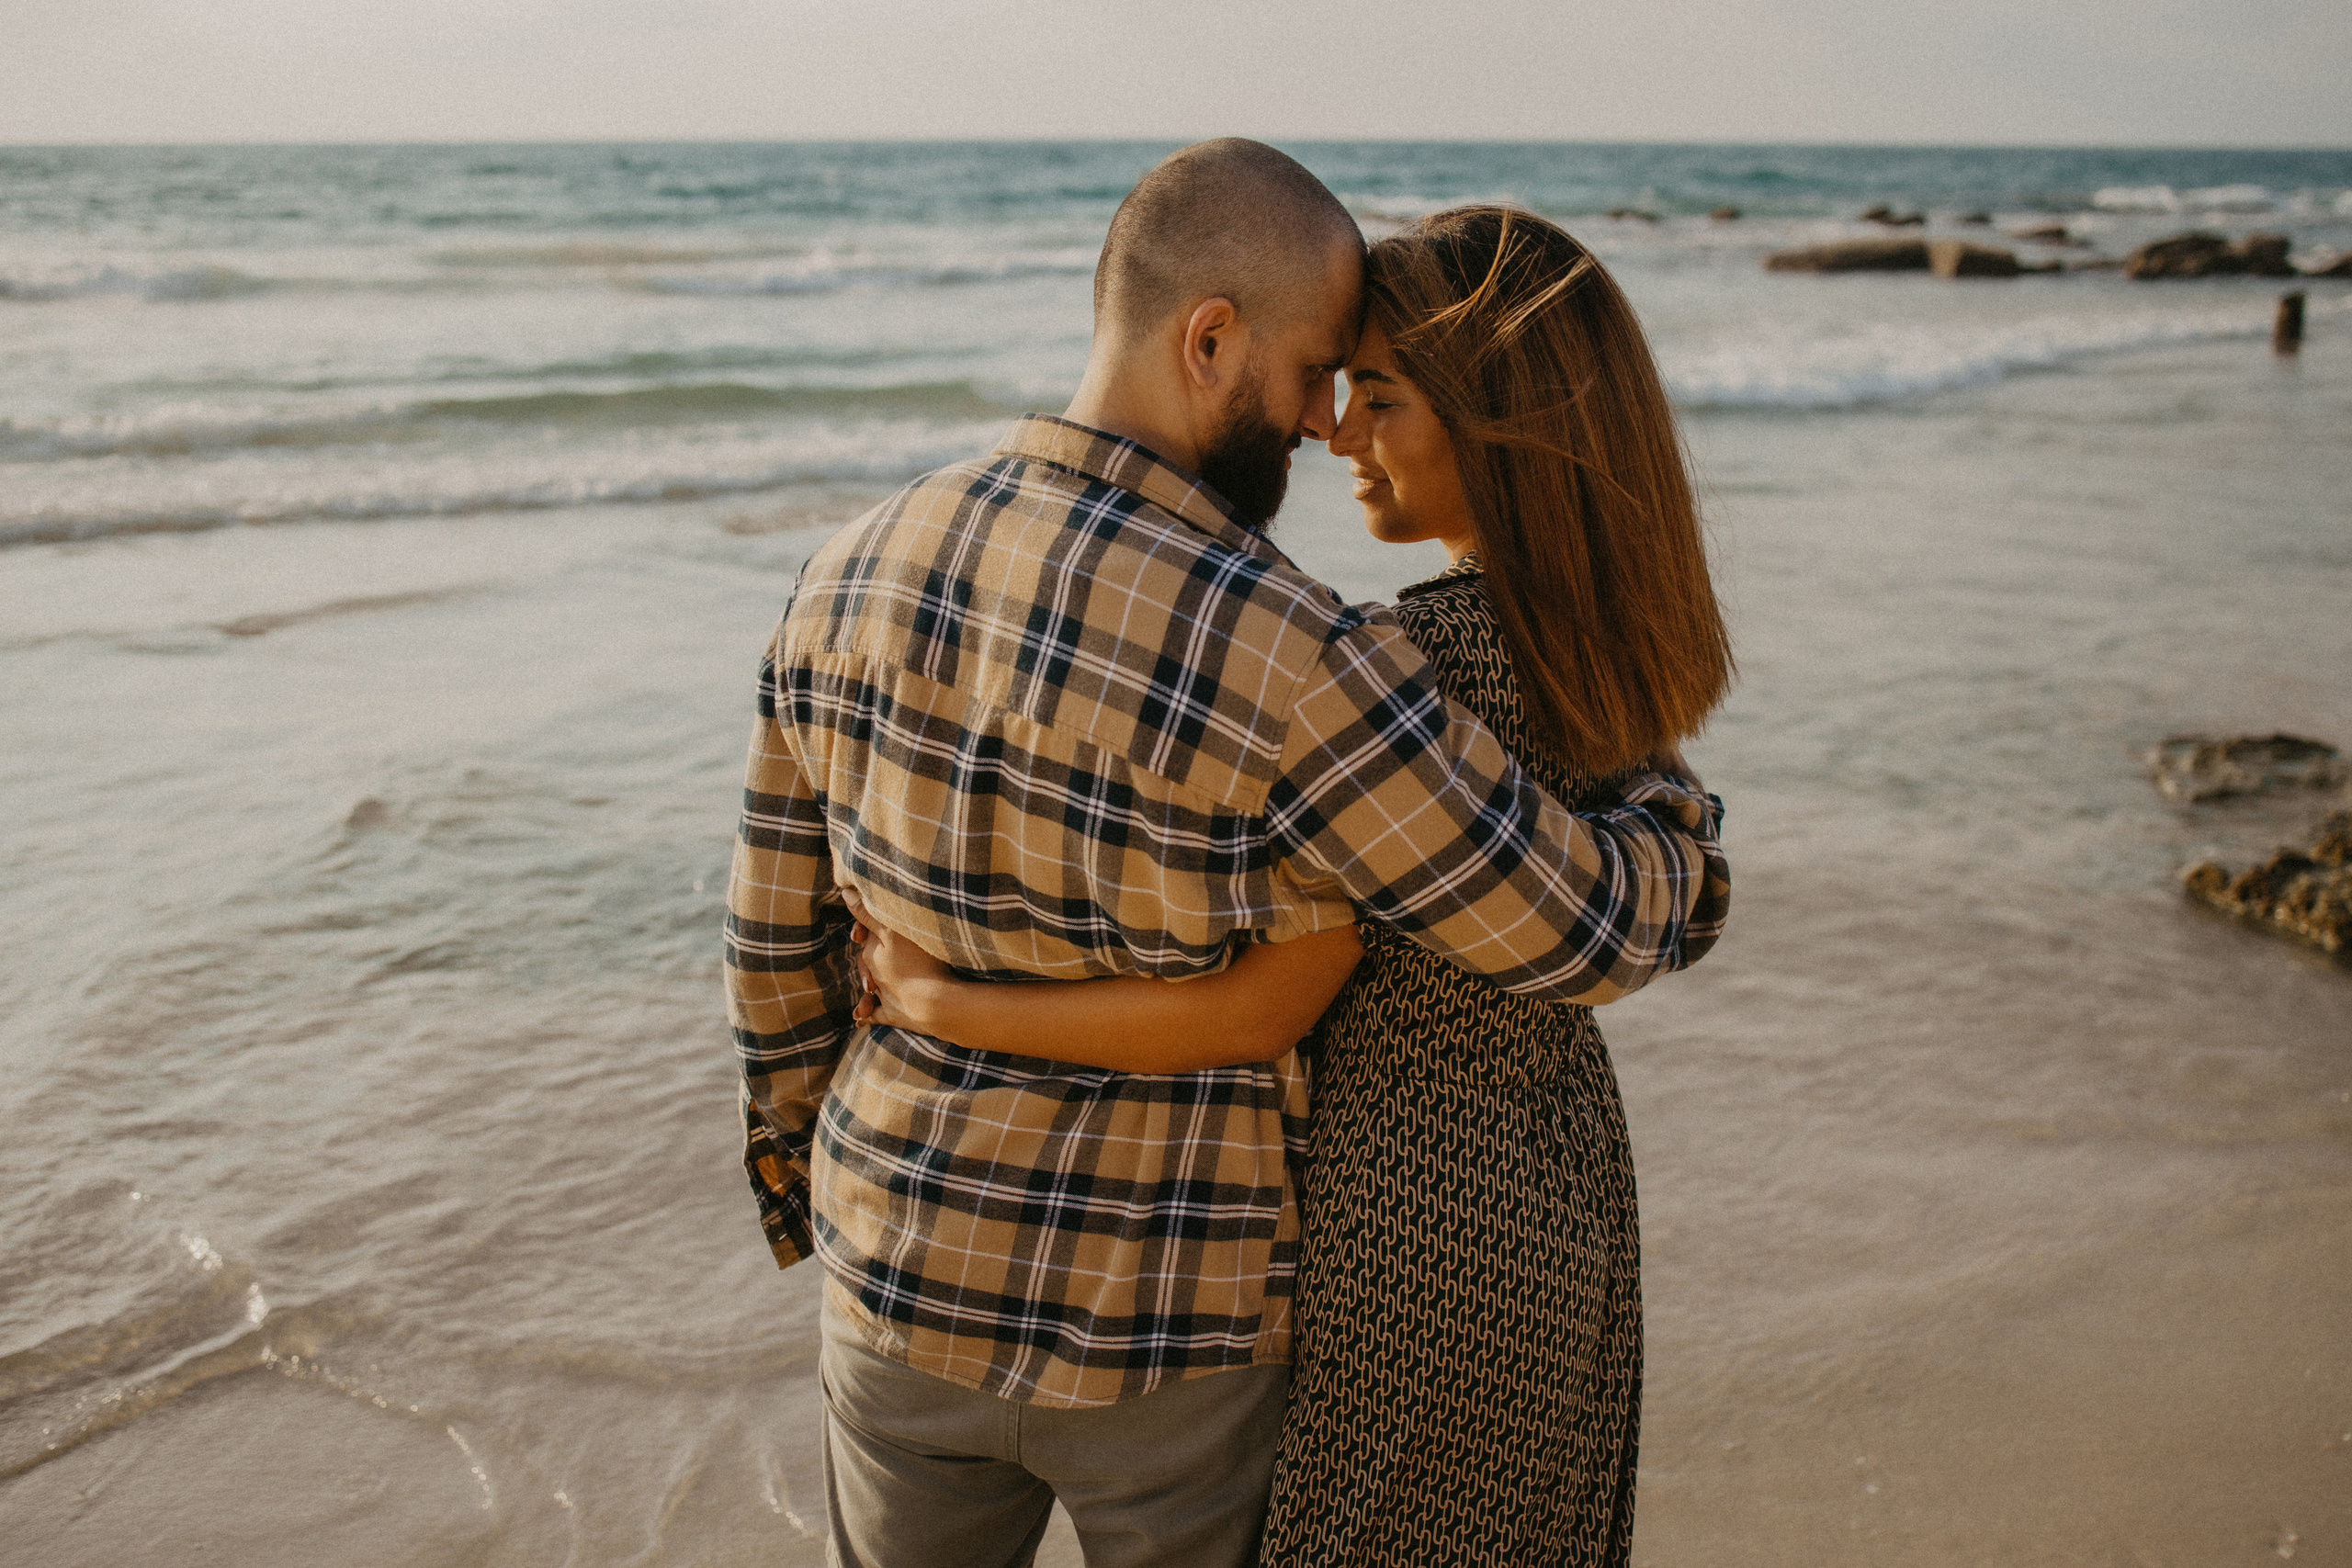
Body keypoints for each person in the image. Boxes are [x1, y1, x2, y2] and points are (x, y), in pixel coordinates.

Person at [725, 141, 1729, 1568]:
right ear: (1211, 340)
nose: (1325, 421)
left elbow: (775, 945)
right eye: (1320, 369)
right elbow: (1573, 934)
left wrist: (813, 1173)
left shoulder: (845, 567)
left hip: (899, 1281)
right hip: (1166, 1322)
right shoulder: (1287, 646)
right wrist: (1680, 826)